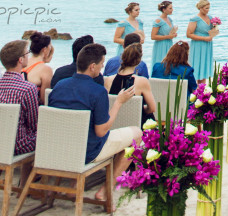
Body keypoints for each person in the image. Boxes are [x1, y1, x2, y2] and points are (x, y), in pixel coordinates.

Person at [49, 42, 140, 202]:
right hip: (86, 152)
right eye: (101, 65)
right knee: (137, 135)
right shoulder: (98, 92)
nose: (101, 68)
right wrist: (118, 102)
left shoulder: (59, 86)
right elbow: (101, 131)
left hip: (57, 148)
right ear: (92, 66)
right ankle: (106, 190)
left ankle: (72, 185)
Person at [0, 40, 39, 154]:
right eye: (27, 53)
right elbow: (33, 124)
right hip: (17, 145)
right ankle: (29, 172)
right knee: (44, 135)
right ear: (20, 59)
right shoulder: (27, 89)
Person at [104, 42, 156, 126]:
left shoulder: (108, 80)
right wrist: (139, 108)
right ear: (138, 61)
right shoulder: (142, 81)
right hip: (135, 125)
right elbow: (152, 108)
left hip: (114, 123)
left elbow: (106, 106)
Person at [187, 0, 219, 82]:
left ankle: (203, 87)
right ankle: (195, 87)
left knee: (204, 67)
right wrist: (204, 38)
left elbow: (211, 30)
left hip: (208, 45)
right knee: (197, 65)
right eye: (206, 8)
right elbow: (189, 34)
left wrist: (215, 27)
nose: (208, 10)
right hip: (198, 45)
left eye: (209, 8)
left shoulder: (210, 17)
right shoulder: (195, 19)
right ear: (200, 8)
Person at [23, 31, 54, 103]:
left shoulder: (22, 63)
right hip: (32, 110)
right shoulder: (46, 69)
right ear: (44, 49)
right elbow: (44, 100)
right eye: (50, 47)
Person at [151, 0, 178, 68]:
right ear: (164, 9)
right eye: (170, 8)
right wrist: (168, 36)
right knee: (161, 62)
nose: (172, 10)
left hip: (169, 43)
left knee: (169, 63)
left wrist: (173, 34)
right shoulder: (158, 21)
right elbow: (153, 36)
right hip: (161, 45)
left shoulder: (169, 19)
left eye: (172, 8)